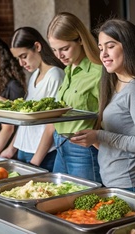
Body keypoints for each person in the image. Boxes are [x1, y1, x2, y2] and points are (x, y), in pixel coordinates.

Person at [70, 19, 135, 199]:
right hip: (114, 182)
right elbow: (118, 142)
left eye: (110, 46)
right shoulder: (113, 84)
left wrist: (100, 135)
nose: (104, 54)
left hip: (133, 184)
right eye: (101, 48)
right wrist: (91, 139)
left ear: (128, 47)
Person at [47, 12, 103, 183]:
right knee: (60, 199)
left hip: (82, 149)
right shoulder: (68, 70)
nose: (59, 56)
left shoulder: (99, 71)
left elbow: (110, 117)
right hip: (60, 144)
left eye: (64, 49)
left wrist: (96, 142)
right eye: (55, 50)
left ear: (80, 39)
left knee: (85, 204)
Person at [0, 27, 65, 171]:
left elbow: (52, 125)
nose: (21, 64)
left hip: (42, 155)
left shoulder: (55, 76)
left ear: (37, 46)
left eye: (24, 56)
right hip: (23, 151)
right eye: (18, 59)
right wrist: (11, 149)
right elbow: (26, 119)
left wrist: (35, 162)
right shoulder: (34, 75)